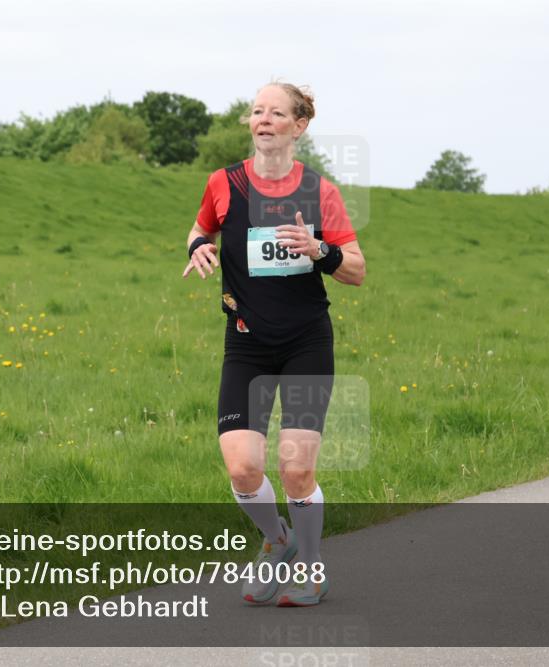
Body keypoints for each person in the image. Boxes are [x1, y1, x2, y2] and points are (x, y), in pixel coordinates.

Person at [182, 82, 365, 607]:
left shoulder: (320, 192)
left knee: (296, 468)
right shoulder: (224, 182)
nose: (263, 119)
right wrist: (199, 247)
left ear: (298, 126)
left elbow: (356, 269)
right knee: (242, 467)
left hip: (306, 341)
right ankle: (278, 541)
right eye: (257, 111)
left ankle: (310, 570)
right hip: (245, 344)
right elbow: (200, 229)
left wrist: (320, 249)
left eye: (276, 113)